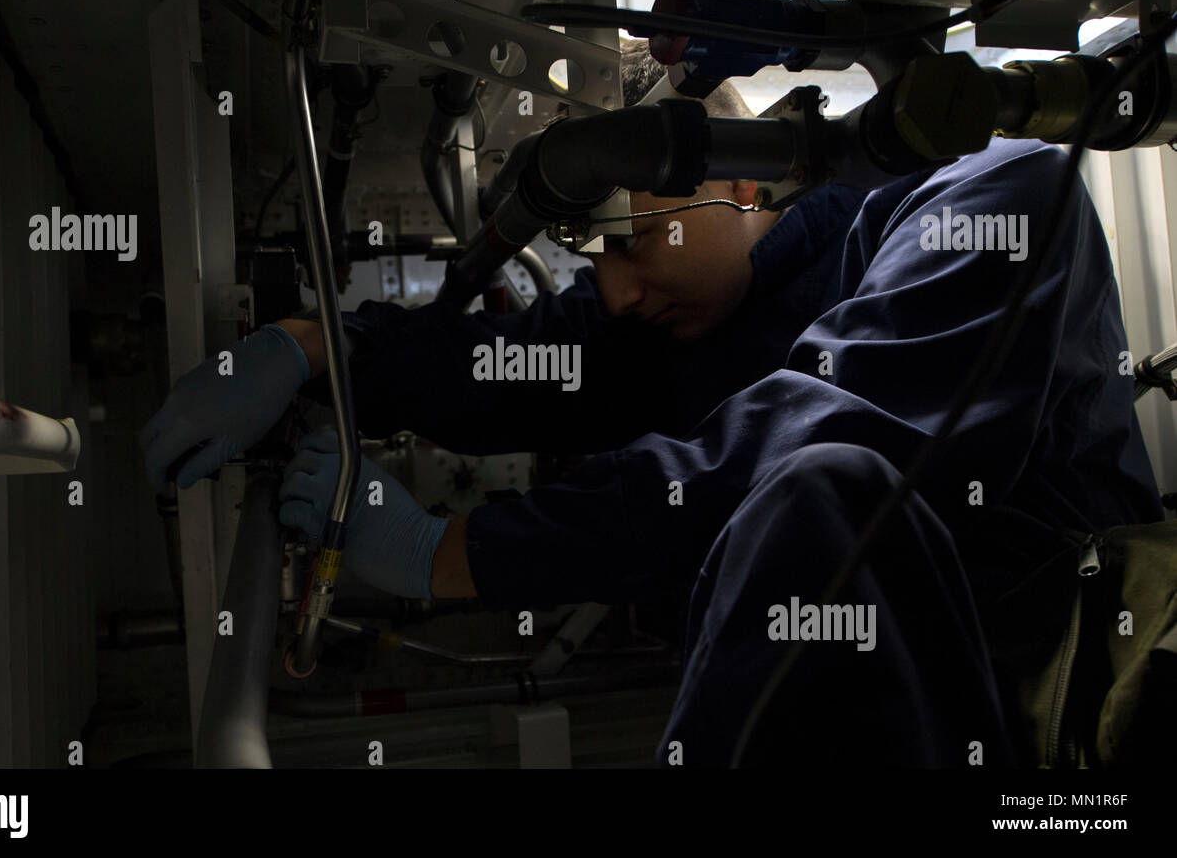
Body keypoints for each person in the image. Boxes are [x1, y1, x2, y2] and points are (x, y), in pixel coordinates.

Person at [140, 40, 1163, 766]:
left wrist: (450, 555)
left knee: (823, 488)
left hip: (1042, 694)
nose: (617, 286)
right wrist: (316, 347)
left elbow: (818, 444)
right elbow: (528, 358)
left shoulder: (995, 198)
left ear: (736, 178)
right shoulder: (676, 311)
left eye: (628, 243)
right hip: (846, 703)